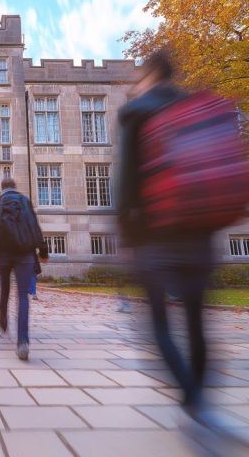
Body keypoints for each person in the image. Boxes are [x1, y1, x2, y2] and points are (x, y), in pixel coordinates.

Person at [117, 50, 216, 429]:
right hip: (199, 231)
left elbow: (126, 180)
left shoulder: (136, 110)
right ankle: (200, 399)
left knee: (158, 324)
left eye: (140, 73)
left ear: (151, 73)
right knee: (196, 322)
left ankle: (193, 398)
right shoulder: (194, 107)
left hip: (155, 235)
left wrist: (126, 233)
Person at [0, 178, 48, 361]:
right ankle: (22, 342)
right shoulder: (24, 200)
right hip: (24, 252)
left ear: (2, 188)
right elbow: (33, 226)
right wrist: (43, 250)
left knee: (5, 289)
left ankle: (3, 321)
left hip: (4, 254)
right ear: (15, 187)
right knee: (23, 295)